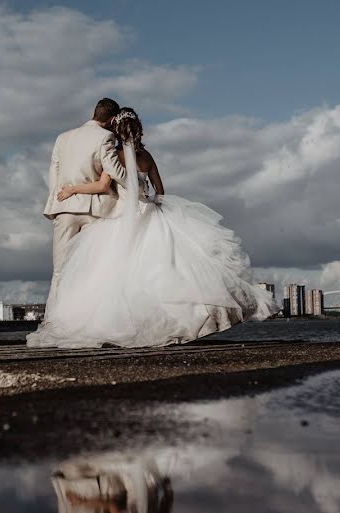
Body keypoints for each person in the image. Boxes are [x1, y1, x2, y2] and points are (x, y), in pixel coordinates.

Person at [27, 107, 277, 348]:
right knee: (161, 270)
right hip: (148, 212)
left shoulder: (115, 157)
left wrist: (71, 189)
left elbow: (102, 186)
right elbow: (160, 189)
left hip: (120, 217)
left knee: (108, 274)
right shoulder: (146, 158)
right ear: (138, 131)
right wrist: (149, 200)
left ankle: (81, 321)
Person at [41, 98, 128, 313]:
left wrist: (58, 197)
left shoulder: (63, 138)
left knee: (60, 268)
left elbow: (54, 172)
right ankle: (86, 316)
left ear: (94, 112)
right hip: (94, 210)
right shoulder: (105, 137)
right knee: (91, 267)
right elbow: (114, 170)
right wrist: (136, 185)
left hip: (64, 206)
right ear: (113, 119)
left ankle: (56, 317)